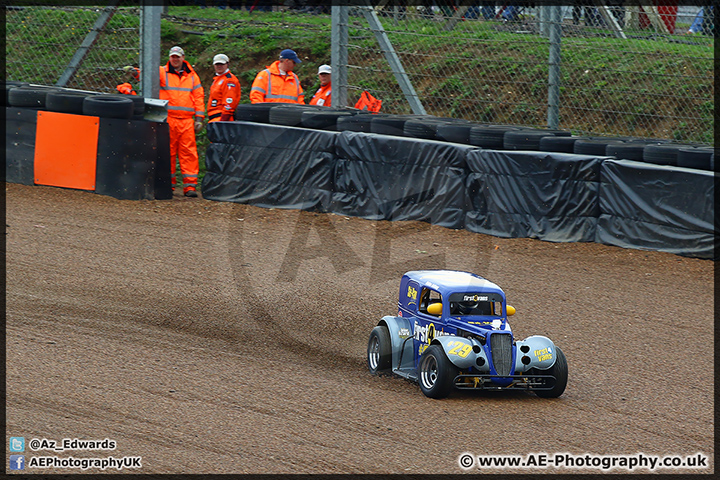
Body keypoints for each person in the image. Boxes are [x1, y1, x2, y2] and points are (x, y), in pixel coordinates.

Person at [159, 45, 205, 198]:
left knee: (189, 153)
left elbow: (198, 97)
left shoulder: (192, 76)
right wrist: (135, 73)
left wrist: (199, 119)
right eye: (173, 57)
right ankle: (168, 185)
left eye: (177, 57)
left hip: (186, 121)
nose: (175, 59)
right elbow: (146, 76)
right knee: (168, 152)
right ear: (169, 58)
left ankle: (190, 187)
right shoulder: (162, 72)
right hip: (169, 119)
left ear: (183, 58)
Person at [207, 53, 241, 122]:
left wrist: (222, 121)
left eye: (222, 64)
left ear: (227, 64)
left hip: (222, 118)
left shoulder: (229, 80)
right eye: (217, 64)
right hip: (215, 117)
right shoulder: (217, 79)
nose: (219, 66)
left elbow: (229, 102)